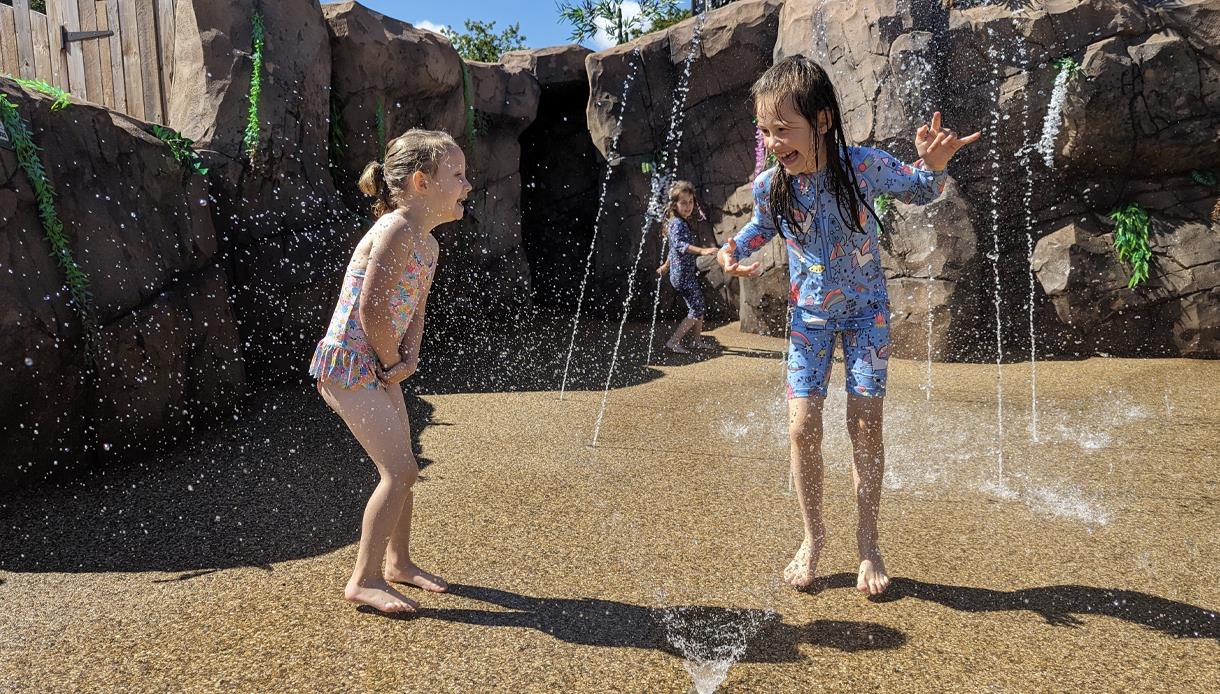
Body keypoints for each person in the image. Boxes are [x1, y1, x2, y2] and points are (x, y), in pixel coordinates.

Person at [718, 56, 979, 595]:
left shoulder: (861, 166)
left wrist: (935, 165)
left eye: (782, 129)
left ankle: (868, 543)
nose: (772, 141)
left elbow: (920, 189)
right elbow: (757, 230)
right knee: (800, 428)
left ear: (822, 121)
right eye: (764, 131)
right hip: (808, 319)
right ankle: (812, 539)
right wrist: (730, 252)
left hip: (866, 316)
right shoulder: (772, 185)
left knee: (863, 425)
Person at [308, 129, 472, 613]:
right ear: (422, 182)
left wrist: (410, 358)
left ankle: (399, 563)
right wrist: (389, 361)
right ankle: (364, 579)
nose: (467, 185)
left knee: (405, 468)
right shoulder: (396, 230)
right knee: (398, 470)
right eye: (457, 175)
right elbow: (372, 311)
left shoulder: (430, 246)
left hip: (379, 365)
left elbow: (415, 310)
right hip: (348, 367)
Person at [655, 180, 718, 353]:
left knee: (699, 305)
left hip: (685, 274)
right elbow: (679, 245)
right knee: (696, 308)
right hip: (682, 276)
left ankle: (696, 341)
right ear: (675, 204)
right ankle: (673, 342)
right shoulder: (676, 223)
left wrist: (666, 266)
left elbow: (672, 250)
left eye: (690, 202)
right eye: (683, 203)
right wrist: (702, 251)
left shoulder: (681, 222)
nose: (688, 206)